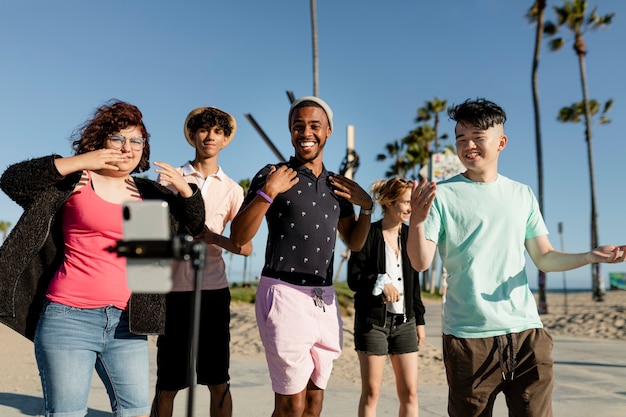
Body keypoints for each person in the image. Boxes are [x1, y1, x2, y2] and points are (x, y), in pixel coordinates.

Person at [406, 98, 626, 417]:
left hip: (526, 334)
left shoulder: (521, 194)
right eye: (461, 139)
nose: (468, 146)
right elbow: (421, 262)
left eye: (477, 137)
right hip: (469, 338)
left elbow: (545, 257)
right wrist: (417, 221)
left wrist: (591, 256)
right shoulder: (442, 195)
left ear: (501, 142)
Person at [0, 100, 206, 417]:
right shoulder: (74, 182)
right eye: (118, 138)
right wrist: (79, 161)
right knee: (66, 413)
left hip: (127, 324)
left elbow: (193, 225)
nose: (128, 147)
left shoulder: (147, 194)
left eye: (136, 140)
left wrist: (187, 191)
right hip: (68, 317)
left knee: (135, 411)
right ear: (100, 142)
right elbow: (12, 180)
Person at [230, 96, 374, 417]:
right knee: (290, 405)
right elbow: (238, 237)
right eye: (298, 126)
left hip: (325, 299)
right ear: (290, 132)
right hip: (283, 293)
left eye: (314, 125)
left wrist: (367, 208)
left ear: (329, 131)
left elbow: (354, 242)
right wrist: (268, 191)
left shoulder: (338, 185)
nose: (305, 132)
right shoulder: (273, 174)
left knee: (313, 403)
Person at [151, 106, 252, 417]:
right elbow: (152, 232)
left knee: (217, 378)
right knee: (168, 381)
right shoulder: (169, 177)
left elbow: (245, 247)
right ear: (193, 135)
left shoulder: (234, 189)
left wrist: (212, 237)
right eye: (204, 130)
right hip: (173, 291)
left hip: (213, 290)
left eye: (218, 131)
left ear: (224, 139)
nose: (210, 136)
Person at [348, 177, 426, 417]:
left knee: (410, 393)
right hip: (373, 323)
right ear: (389, 203)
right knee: (372, 392)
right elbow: (354, 278)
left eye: (411, 202)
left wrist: (420, 321)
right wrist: (381, 282)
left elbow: (414, 286)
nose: (409, 208)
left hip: (405, 323)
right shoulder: (369, 234)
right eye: (404, 202)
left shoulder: (411, 235)